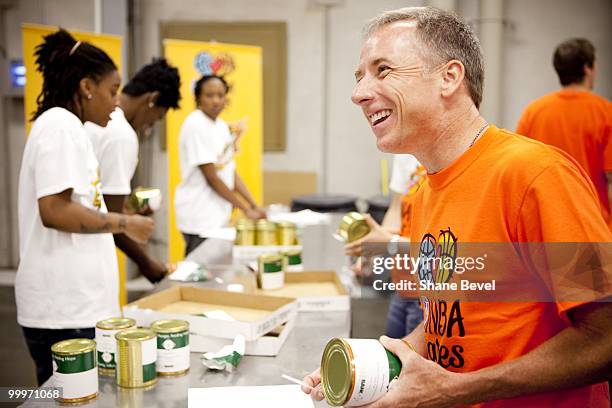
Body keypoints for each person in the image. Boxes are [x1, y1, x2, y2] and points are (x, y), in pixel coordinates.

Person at [303, 7, 611, 407]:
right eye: (359, 76)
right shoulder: (426, 191)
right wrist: (372, 367)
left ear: (449, 77)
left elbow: (605, 336)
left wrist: (456, 390)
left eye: (383, 70)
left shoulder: (536, 175)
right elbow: (447, 322)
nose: (358, 92)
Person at [16, 29, 154, 385]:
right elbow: (55, 211)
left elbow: (79, 206)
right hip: (63, 311)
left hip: (74, 308)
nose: (116, 103)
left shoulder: (69, 128)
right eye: (112, 91)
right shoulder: (60, 127)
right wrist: (124, 223)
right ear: (86, 87)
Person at [85, 58, 181, 283]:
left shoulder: (91, 122)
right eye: (156, 118)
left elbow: (99, 204)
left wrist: (127, 212)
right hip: (86, 259)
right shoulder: (121, 135)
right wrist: (147, 263)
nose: (148, 126)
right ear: (152, 99)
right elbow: (111, 222)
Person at [516, 38, 612, 227]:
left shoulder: (534, 112)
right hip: (592, 226)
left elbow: (518, 171)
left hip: (545, 226)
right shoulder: (606, 112)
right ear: (587, 68)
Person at [174, 75, 266, 256]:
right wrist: (246, 209)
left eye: (220, 95)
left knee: (217, 271)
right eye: (209, 95)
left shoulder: (221, 126)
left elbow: (229, 171)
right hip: (199, 215)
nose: (216, 100)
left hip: (217, 215)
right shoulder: (195, 124)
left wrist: (253, 204)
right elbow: (211, 177)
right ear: (198, 98)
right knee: (200, 272)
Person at [345, 155, 425, 338]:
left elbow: (449, 246)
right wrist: (375, 249)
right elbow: (397, 209)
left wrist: (390, 243)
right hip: (403, 282)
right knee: (394, 355)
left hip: (431, 293)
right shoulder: (405, 155)